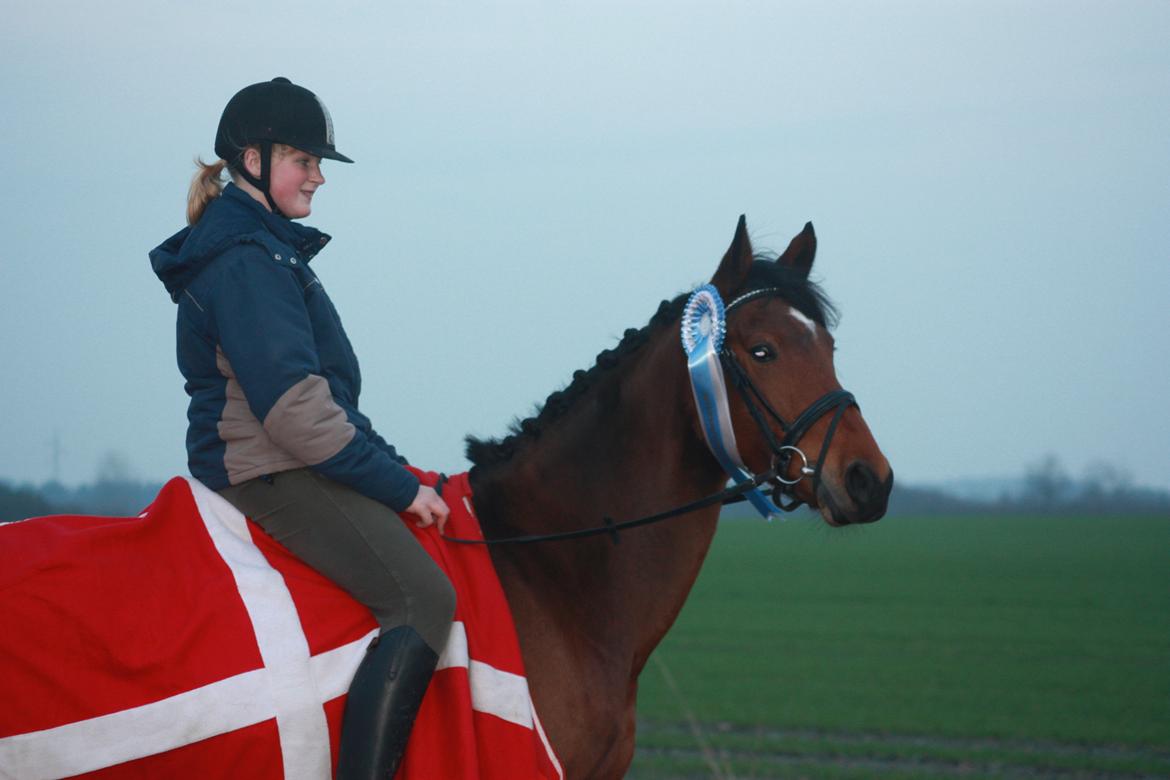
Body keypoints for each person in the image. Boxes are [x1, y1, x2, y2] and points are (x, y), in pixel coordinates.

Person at [149, 77, 456, 779]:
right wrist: (399, 490)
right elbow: (293, 409)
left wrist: (400, 471)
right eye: (303, 159)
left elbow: (331, 401)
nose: (318, 176)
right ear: (252, 161)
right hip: (269, 471)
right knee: (423, 597)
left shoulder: (267, 250)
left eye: (318, 162)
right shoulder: (248, 261)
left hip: (289, 459)